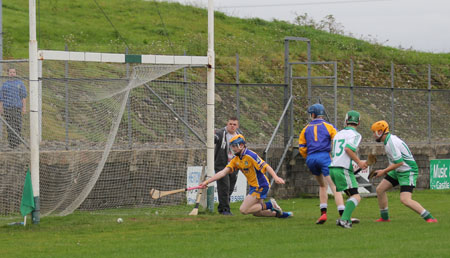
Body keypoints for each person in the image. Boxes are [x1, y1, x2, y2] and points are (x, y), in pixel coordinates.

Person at [200, 134, 293, 218]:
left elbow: (266, 166)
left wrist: (275, 177)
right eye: (231, 146)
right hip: (254, 186)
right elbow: (223, 172)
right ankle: (281, 214)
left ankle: (270, 205)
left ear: (241, 145)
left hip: (260, 185)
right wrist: (207, 182)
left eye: (234, 146)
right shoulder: (235, 159)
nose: (233, 149)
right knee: (257, 212)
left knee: (244, 210)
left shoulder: (251, 155)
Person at [370, 120, 437, 223]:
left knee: (405, 199)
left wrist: (384, 171)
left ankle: (430, 218)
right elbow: (395, 161)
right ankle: (384, 217)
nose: (373, 135)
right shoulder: (388, 141)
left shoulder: (391, 143)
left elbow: (400, 162)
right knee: (380, 189)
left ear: (380, 131)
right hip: (398, 170)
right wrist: (385, 170)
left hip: (407, 171)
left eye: (374, 132)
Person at [299, 103, 347, 224]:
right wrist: (333, 155)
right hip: (324, 157)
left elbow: (302, 147)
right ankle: (343, 215)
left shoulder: (305, 129)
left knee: (322, 186)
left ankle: (323, 214)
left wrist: (308, 156)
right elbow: (337, 140)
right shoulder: (328, 126)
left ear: (313, 114)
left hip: (311, 158)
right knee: (335, 187)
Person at [329, 111, 367, 229]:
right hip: (342, 169)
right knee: (356, 196)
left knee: (351, 195)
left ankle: (345, 217)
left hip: (333, 168)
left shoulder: (338, 134)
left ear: (346, 121)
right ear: (359, 122)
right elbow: (348, 149)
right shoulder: (355, 135)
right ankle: (344, 220)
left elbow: (333, 151)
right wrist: (359, 162)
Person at [214, 117, 242, 215]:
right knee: (224, 187)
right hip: (222, 165)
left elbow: (242, 149)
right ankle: (225, 210)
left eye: (234, 124)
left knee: (230, 188)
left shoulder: (239, 136)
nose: (232, 126)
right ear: (227, 124)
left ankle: (222, 207)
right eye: (230, 124)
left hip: (234, 166)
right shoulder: (221, 133)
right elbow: (215, 139)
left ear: (237, 126)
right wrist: (212, 135)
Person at [0, 68, 27, 149]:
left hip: (17, 107)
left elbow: (23, 97)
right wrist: (1, 108)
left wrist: (24, 108)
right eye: (10, 72)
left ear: (16, 73)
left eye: (14, 72)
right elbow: (1, 98)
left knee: (17, 125)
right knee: (9, 126)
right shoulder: (5, 85)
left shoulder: (20, 83)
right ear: (8, 73)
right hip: (7, 108)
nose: (12, 73)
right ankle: (11, 144)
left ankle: (17, 143)